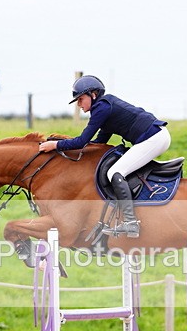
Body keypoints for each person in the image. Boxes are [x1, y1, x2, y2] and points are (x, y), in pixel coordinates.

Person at [38, 75, 170, 238]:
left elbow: (82, 141)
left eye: (80, 99)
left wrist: (56, 145)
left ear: (93, 94)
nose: (79, 105)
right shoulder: (105, 107)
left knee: (115, 172)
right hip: (155, 136)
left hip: (154, 138)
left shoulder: (101, 108)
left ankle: (130, 223)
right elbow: (99, 141)